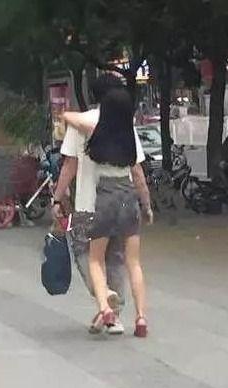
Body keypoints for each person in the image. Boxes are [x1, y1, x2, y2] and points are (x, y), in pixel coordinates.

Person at [53, 75, 152, 335]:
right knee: (120, 259)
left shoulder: (84, 124)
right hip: (126, 199)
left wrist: (58, 197)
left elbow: (69, 165)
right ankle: (123, 316)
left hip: (90, 203)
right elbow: (137, 171)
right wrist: (146, 204)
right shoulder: (124, 124)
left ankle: (105, 299)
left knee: (86, 255)